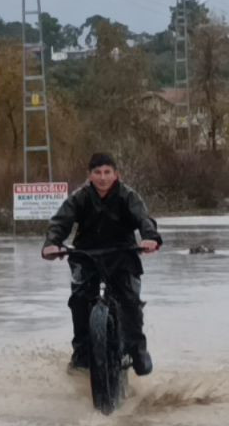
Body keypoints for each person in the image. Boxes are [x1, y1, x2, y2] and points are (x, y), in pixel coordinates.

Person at [41, 152, 162, 375]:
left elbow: (144, 219)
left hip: (122, 253)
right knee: (78, 299)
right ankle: (82, 352)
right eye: (97, 172)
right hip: (87, 254)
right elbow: (60, 222)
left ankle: (137, 350)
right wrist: (52, 243)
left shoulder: (128, 196)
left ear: (116, 174)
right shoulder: (80, 197)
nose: (103, 177)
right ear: (90, 176)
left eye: (107, 172)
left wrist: (150, 238)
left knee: (130, 300)